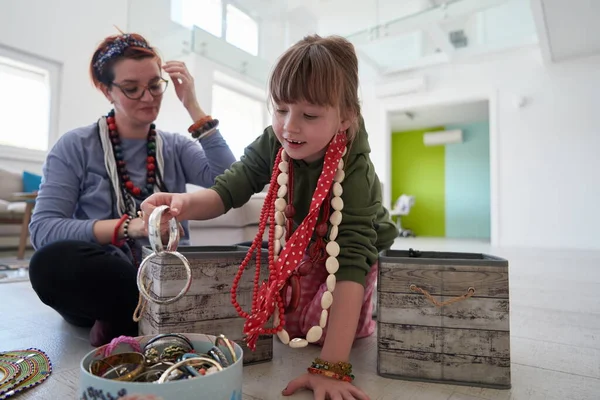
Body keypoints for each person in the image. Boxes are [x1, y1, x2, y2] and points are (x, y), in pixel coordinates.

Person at [141, 34, 397, 399]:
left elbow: (353, 261)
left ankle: (363, 317)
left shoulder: (354, 169)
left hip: (354, 253)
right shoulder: (275, 142)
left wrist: (332, 368)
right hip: (306, 247)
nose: (290, 126)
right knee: (290, 321)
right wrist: (181, 203)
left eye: (309, 115)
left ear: (345, 119)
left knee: (330, 329)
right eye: (280, 109)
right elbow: (227, 190)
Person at [27, 33, 236, 347]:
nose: (148, 97)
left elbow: (231, 183)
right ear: (106, 90)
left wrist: (193, 105)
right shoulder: (75, 146)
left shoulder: (175, 146)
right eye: (131, 88)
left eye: (155, 85)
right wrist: (130, 227)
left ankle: (129, 319)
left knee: (248, 254)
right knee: (49, 263)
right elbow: (43, 229)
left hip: (169, 279)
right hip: (105, 279)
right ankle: (129, 313)